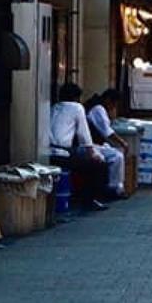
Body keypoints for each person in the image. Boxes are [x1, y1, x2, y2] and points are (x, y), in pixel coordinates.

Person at [49, 82, 108, 211]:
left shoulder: (54, 107)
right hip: (63, 153)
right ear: (76, 97)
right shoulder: (77, 108)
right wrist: (93, 153)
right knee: (97, 165)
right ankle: (90, 200)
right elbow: (84, 135)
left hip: (48, 151)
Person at [85, 88, 128, 199]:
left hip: (91, 143)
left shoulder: (94, 106)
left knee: (111, 151)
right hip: (89, 145)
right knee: (117, 156)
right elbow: (107, 131)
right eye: (113, 104)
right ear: (108, 100)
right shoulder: (98, 109)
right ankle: (115, 188)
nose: (113, 108)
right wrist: (122, 142)